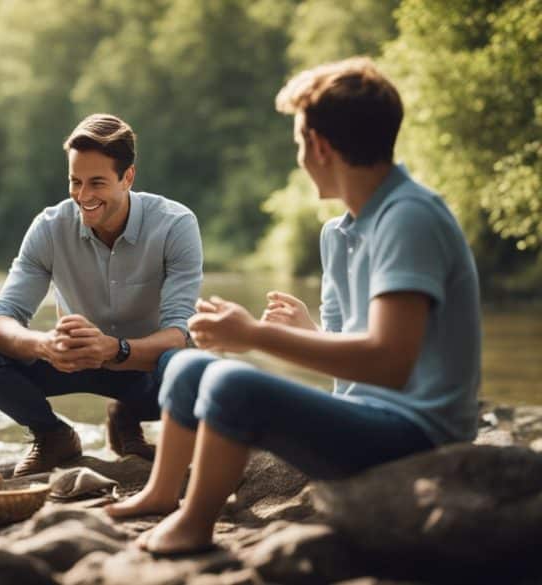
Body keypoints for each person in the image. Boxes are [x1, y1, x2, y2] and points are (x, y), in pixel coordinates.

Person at [105, 57, 482, 556]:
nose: (300, 156)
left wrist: (255, 337)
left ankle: (195, 523)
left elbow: (390, 362)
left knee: (230, 383)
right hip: (365, 412)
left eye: (300, 143)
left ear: (320, 147)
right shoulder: (341, 230)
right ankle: (159, 493)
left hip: (419, 434)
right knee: (189, 366)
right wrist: (305, 331)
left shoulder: (407, 218)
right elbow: (361, 355)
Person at [0, 113, 204, 477]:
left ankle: (126, 412)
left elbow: (180, 333)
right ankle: (52, 434)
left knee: (190, 368)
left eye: (97, 183)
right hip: (72, 362)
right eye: (75, 182)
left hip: (142, 366)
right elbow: (1, 317)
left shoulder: (176, 225)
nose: (83, 196)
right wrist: (44, 345)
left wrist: (115, 349)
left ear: (128, 177)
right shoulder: (49, 227)